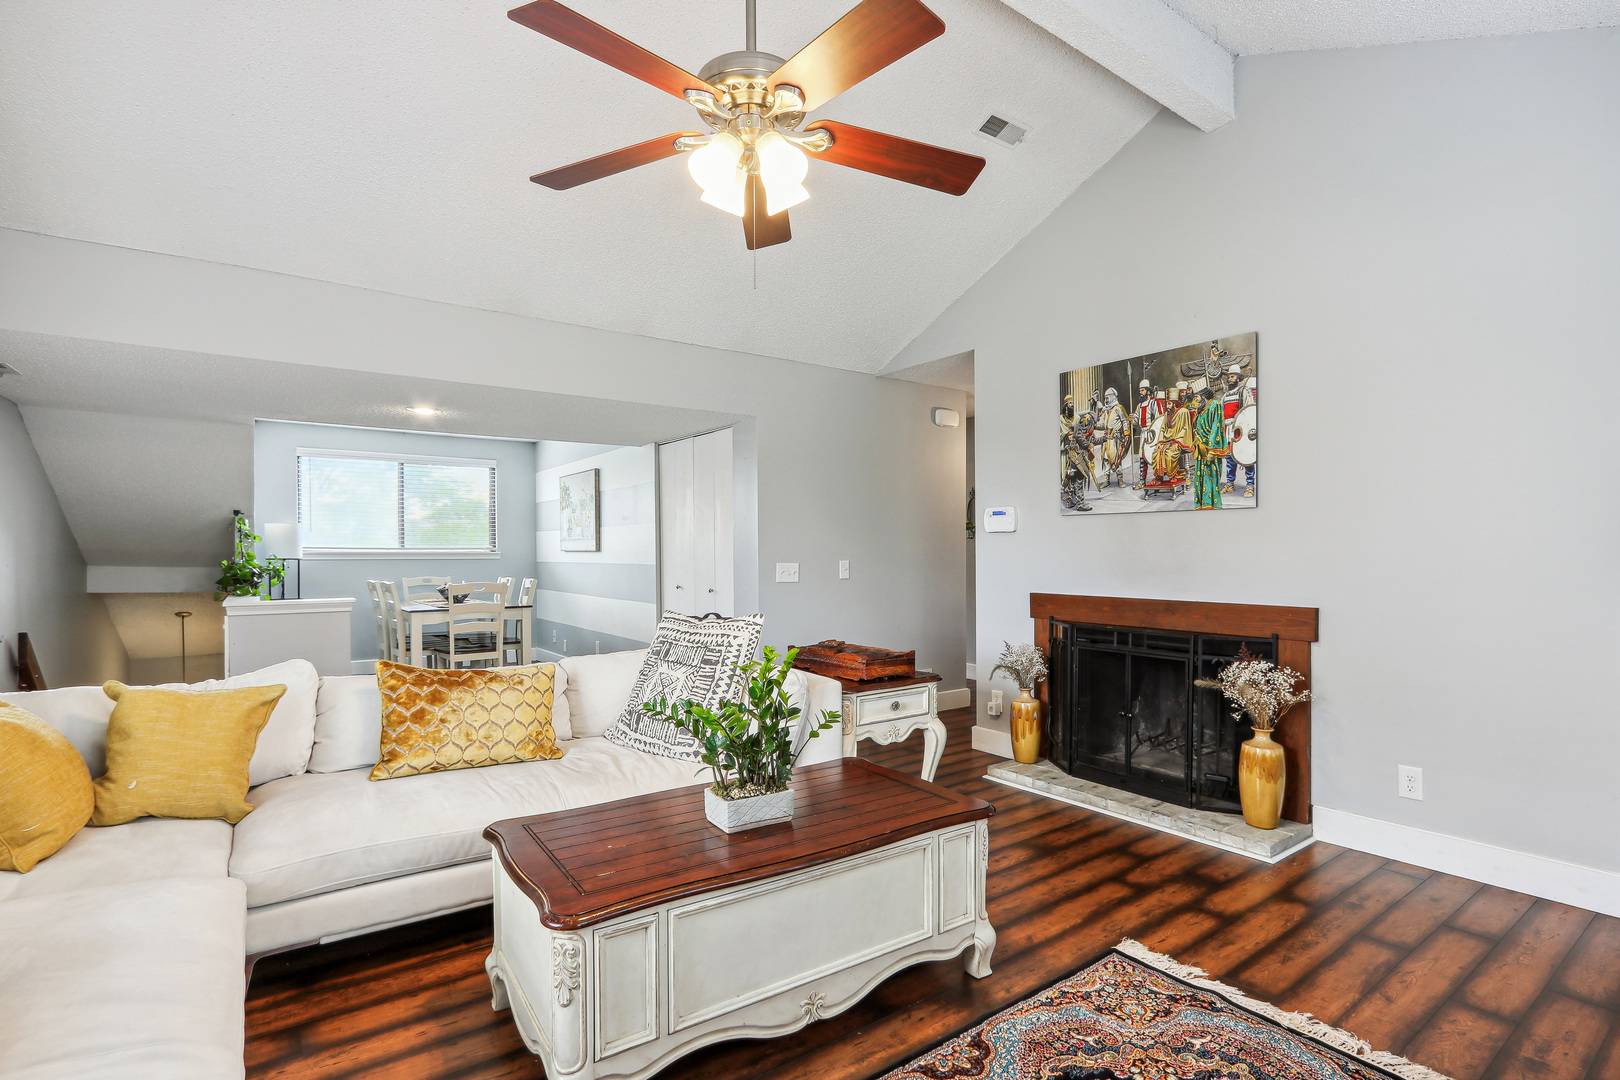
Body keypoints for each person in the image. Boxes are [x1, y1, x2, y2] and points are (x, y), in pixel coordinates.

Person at [1219, 363, 1256, 495]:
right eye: (1229, 377)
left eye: (1233, 376)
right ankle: (1230, 484)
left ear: (1238, 378)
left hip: (1241, 430)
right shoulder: (1226, 395)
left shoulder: (1244, 392)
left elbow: (1250, 411)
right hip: (1229, 430)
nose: (1230, 379)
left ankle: (1250, 485)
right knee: (1230, 458)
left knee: (1246, 457)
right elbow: (1221, 413)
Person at [1191, 388, 1229, 509]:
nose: (1195, 400)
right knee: (1200, 477)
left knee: (1210, 477)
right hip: (1200, 449)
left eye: (1197, 397)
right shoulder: (1201, 409)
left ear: (1203, 396)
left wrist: (1212, 450)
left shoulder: (1215, 405)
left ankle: (1211, 505)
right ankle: (1202, 504)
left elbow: (1216, 428)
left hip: (1210, 449)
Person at [1059, 396, 1098, 512]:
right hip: (1065, 451)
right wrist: (1065, 435)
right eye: (1069, 403)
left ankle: (1080, 502)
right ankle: (1070, 500)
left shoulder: (1076, 418)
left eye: (1072, 403)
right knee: (1067, 476)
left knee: (1077, 476)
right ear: (1065, 406)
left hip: (1076, 452)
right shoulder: (1060, 419)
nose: (1071, 405)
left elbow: (1081, 432)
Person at [1097, 387, 1130, 489]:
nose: (1106, 400)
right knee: (1106, 460)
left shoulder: (1118, 408)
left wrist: (1126, 432)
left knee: (1117, 459)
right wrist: (1095, 425)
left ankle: (1120, 480)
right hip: (1107, 439)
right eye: (1105, 398)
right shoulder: (1106, 410)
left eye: (1107, 398)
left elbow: (1125, 420)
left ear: (1112, 397)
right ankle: (1106, 480)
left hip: (1116, 439)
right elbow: (1103, 425)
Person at [1133, 381, 1163, 489]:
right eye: (1140, 391)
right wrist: (1133, 420)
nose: (1140, 393)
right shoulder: (1139, 406)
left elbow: (1159, 419)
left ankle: (1158, 478)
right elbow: (1136, 420)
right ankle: (1142, 480)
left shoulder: (1153, 403)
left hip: (1152, 433)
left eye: (1142, 390)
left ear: (1148, 391)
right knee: (1142, 457)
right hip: (1143, 433)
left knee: (1154, 455)